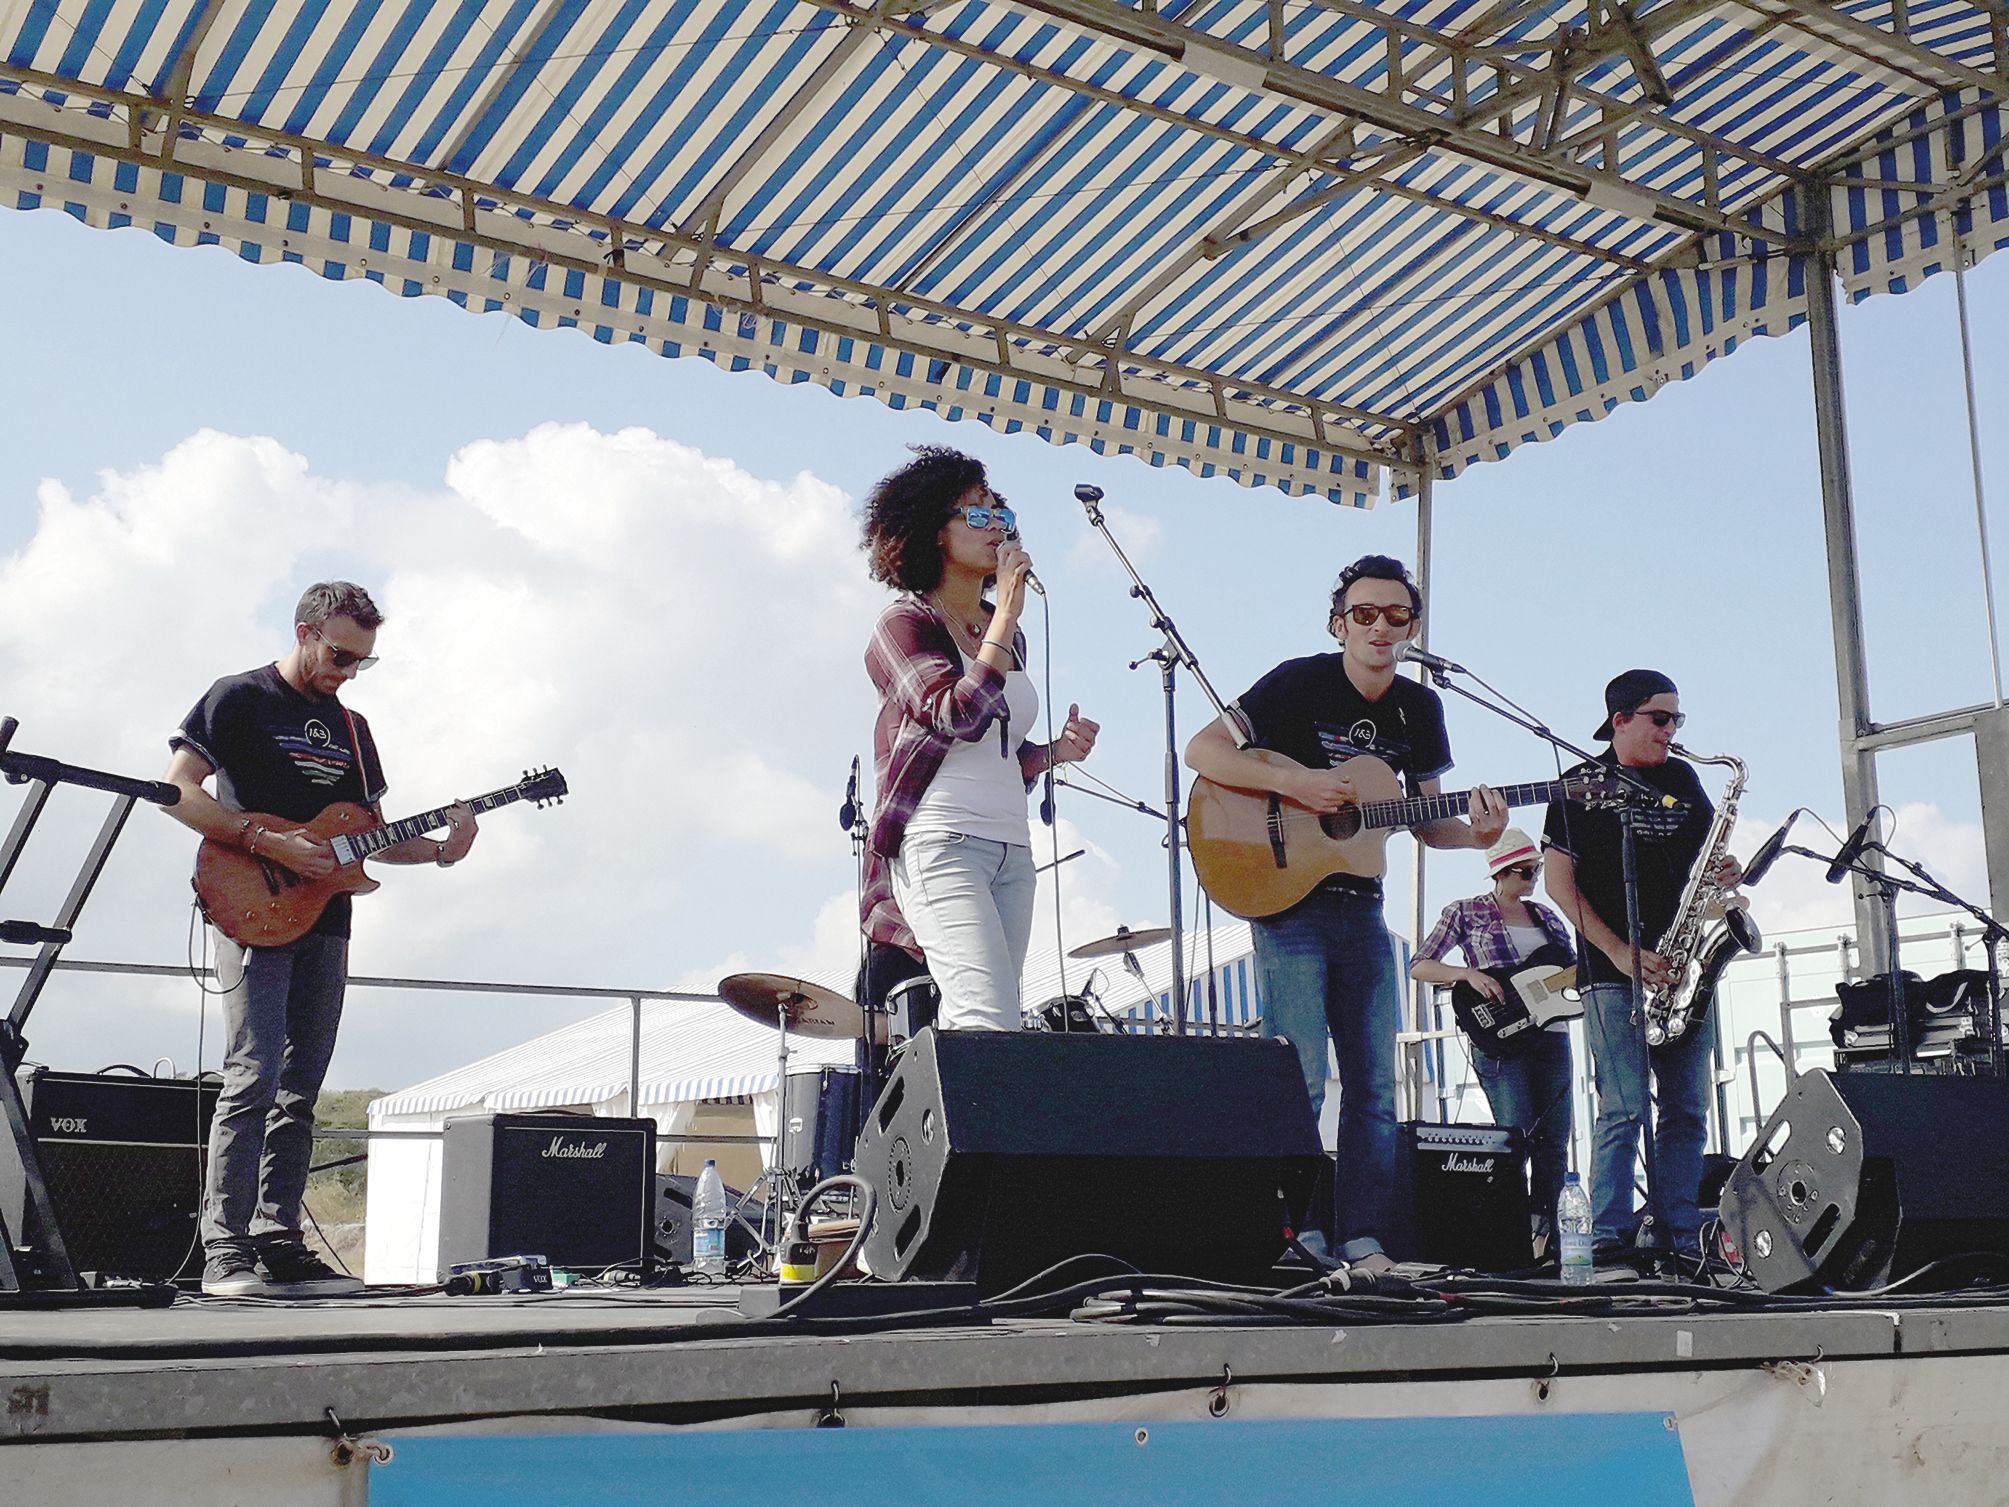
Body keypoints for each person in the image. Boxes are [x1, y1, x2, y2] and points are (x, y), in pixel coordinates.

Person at [1184, 555, 1507, 1266]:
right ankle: (1294, 1234)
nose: (1380, 627)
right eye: (1364, 614)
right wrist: (1298, 782)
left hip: (1362, 908)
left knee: (1373, 1082)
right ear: (1339, 623)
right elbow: (1201, 749)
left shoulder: (1420, 708)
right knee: (1297, 1074)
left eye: (1396, 616)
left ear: (1413, 625)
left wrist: (1479, 835)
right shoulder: (1297, 680)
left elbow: (1426, 820)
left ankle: (1361, 1234)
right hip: (1286, 904)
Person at [165, 582, 478, 1296]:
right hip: (251, 905)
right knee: (254, 1074)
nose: (348, 670)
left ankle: (279, 1240)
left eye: (363, 661)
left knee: (300, 1087)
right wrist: (263, 837)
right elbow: (179, 789)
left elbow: (370, 833)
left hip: (327, 919)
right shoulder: (236, 697)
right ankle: (225, 1249)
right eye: (340, 654)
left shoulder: (352, 727)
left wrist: (441, 848)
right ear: (304, 631)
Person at [860, 447, 1099, 1032]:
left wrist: (1053, 754)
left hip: (1011, 849)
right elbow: (953, 714)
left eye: (1002, 514)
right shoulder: (906, 624)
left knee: (996, 1018)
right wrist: (1006, 617)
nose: (997, 527)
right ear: (933, 533)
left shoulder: (1005, 635)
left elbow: (997, 753)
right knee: (987, 1018)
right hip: (941, 841)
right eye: (976, 514)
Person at [1541, 669, 1740, 1258]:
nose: (1671, 731)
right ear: (1620, 719)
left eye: (1677, 719)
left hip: (1683, 970)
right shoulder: (1579, 784)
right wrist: (1618, 951)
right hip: (1611, 973)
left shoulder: (1683, 778)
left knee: (1686, 1108)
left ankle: (1679, 1233)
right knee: (1624, 1105)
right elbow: (1559, 883)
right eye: (1660, 718)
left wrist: (1729, 880)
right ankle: (1607, 1236)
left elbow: (1710, 862)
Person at [1410, 829, 1577, 1241]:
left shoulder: (1548, 917)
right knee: (1514, 1133)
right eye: (1525, 872)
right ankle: (1509, 1232)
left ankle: (1552, 1236)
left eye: (1536, 871)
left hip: (1552, 1033)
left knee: (1554, 1139)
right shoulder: (1465, 912)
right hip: (1501, 1034)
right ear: (1501, 872)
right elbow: (1420, 964)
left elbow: (1571, 969)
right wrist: (1466, 974)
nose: (1533, 879)